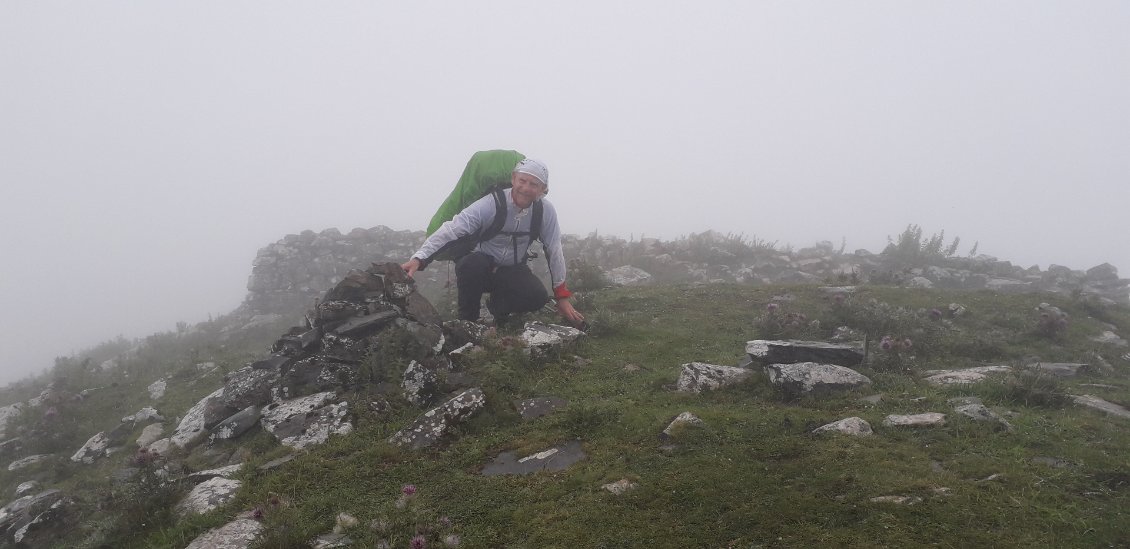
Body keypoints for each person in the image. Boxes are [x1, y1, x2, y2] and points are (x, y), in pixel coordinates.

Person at [401, 158, 585, 327]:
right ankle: (468, 322)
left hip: (511, 269)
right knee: (470, 264)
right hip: (481, 268)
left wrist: (561, 296)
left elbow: (554, 249)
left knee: (537, 297)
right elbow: (453, 229)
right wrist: (420, 258)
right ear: (513, 179)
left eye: (534, 184)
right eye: (522, 181)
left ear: (543, 188)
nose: (526, 188)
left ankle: (496, 310)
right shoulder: (491, 204)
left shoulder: (545, 211)